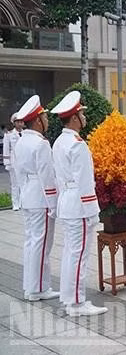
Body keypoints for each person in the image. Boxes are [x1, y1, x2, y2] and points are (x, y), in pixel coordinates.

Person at [51, 91, 107, 316]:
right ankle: (77, 303)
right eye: (82, 114)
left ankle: (69, 298)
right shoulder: (77, 144)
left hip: (67, 201)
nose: (85, 117)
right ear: (74, 117)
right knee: (79, 254)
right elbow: (85, 182)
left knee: (70, 253)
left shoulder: (59, 142)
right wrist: (93, 210)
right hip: (79, 205)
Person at [14, 95, 59, 302]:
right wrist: (53, 204)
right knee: (42, 245)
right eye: (44, 117)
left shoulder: (22, 141)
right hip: (41, 198)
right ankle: (38, 289)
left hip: (28, 196)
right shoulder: (40, 144)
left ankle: (30, 286)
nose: (47, 121)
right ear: (38, 121)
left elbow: (18, 172)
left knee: (31, 242)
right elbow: (47, 177)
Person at [3, 113, 23, 210]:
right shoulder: (9, 135)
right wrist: (7, 163)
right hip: (13, 162)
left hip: (24, 162)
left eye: (21, 121)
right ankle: (15, 203)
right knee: (15, 184)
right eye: (18, 122)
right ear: (14, 123)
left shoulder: (25, 133)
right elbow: (6, 149)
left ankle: (23, 202)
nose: (20, 124)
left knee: (24, 183)